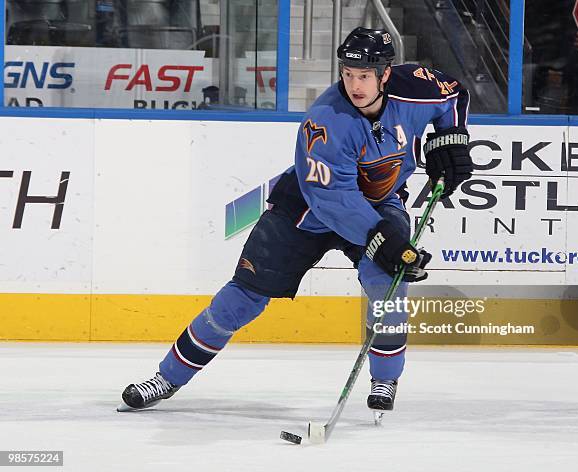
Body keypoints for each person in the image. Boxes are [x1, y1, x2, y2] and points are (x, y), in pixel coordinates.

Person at [117, 27, 473, 414]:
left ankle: (385, 379)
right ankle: (166, 378)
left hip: (380, 204)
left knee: (386, 285)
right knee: (242, 300)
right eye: (348, 74)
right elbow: (331, 199)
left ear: (385, 74)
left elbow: (455, 94)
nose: (354, 85)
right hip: (305, 210)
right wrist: (381, 239)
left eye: (364, 76)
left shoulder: (416, 87)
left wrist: (450, 138)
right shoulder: (327, 120)